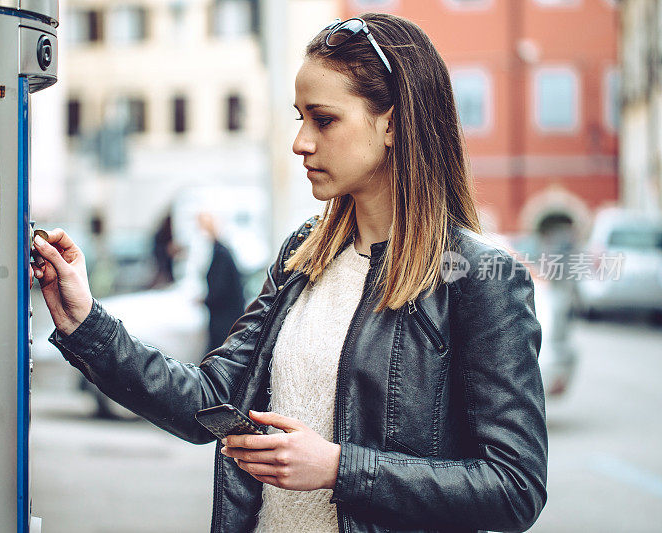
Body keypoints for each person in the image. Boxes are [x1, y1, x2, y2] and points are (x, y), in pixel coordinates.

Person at [32, 13, 547, 533]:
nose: (300, 142)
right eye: (299, 117)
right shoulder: (304, 254)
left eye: (323, 120)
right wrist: (85, 320)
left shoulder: (479, 277)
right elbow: (210, 401)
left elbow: (514, 487)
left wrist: (339, 468)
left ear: (391, 122)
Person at [197, 212, 247, 353]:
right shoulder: (218, 251)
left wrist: (204, 300)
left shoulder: (221, 253)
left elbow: (220, 288)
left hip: (225, 319)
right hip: (223, 317)